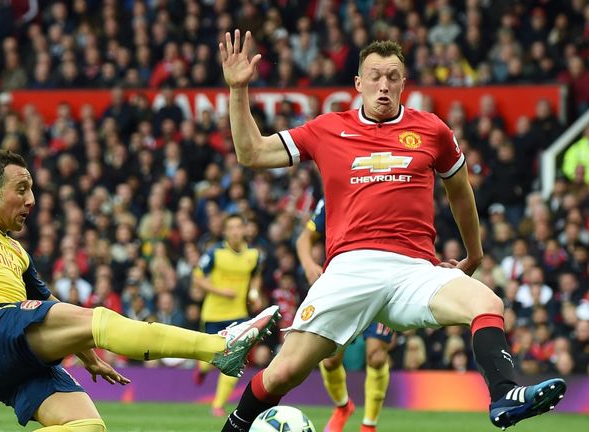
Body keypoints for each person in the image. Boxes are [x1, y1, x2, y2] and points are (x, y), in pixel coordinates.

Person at [218, 32, 566, 432]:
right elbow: (252, 153)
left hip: (413, 270)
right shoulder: (327, 128)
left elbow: (460, 191)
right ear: (358, 84)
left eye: (393, 76)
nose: (384, 85)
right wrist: (238, 89)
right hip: (350, 269)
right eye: (375, 76)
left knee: (487, 301)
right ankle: (236, 426)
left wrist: (475, 254)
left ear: (404, 83)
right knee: (284, 374)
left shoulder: (432, 130)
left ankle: (504, 395)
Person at [0, 96, 280, 432]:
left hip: (11, 356)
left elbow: (49, 307)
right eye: (22, 189)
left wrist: (90, 358)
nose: (32, 199)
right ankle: (217, 347)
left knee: (86, 425)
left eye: (32, 189)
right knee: (96, 318)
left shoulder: (17, 252)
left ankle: (215, 348)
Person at [296, 198, 392, 432]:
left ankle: (369, 425)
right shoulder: (334, 194)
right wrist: (309, 264)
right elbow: (305, 238)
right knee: (329, 360)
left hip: (382, 282)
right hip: (342, 287)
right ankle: (342, 406)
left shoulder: (389, 187)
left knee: (377, 356)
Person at [192, 213, 263, 417]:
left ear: (244, 229)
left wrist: (254, 293)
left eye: (238, 227)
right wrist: (221, 291)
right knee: (210, 357)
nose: (235, 231)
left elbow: (256, 277)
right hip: (213, 314)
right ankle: (203, 369)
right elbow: (197, 277)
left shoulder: (254, 255)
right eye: (230, 227)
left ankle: (218, 404)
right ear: (225, 231)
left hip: (238, 314)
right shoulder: (215, 253)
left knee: (235, 359)